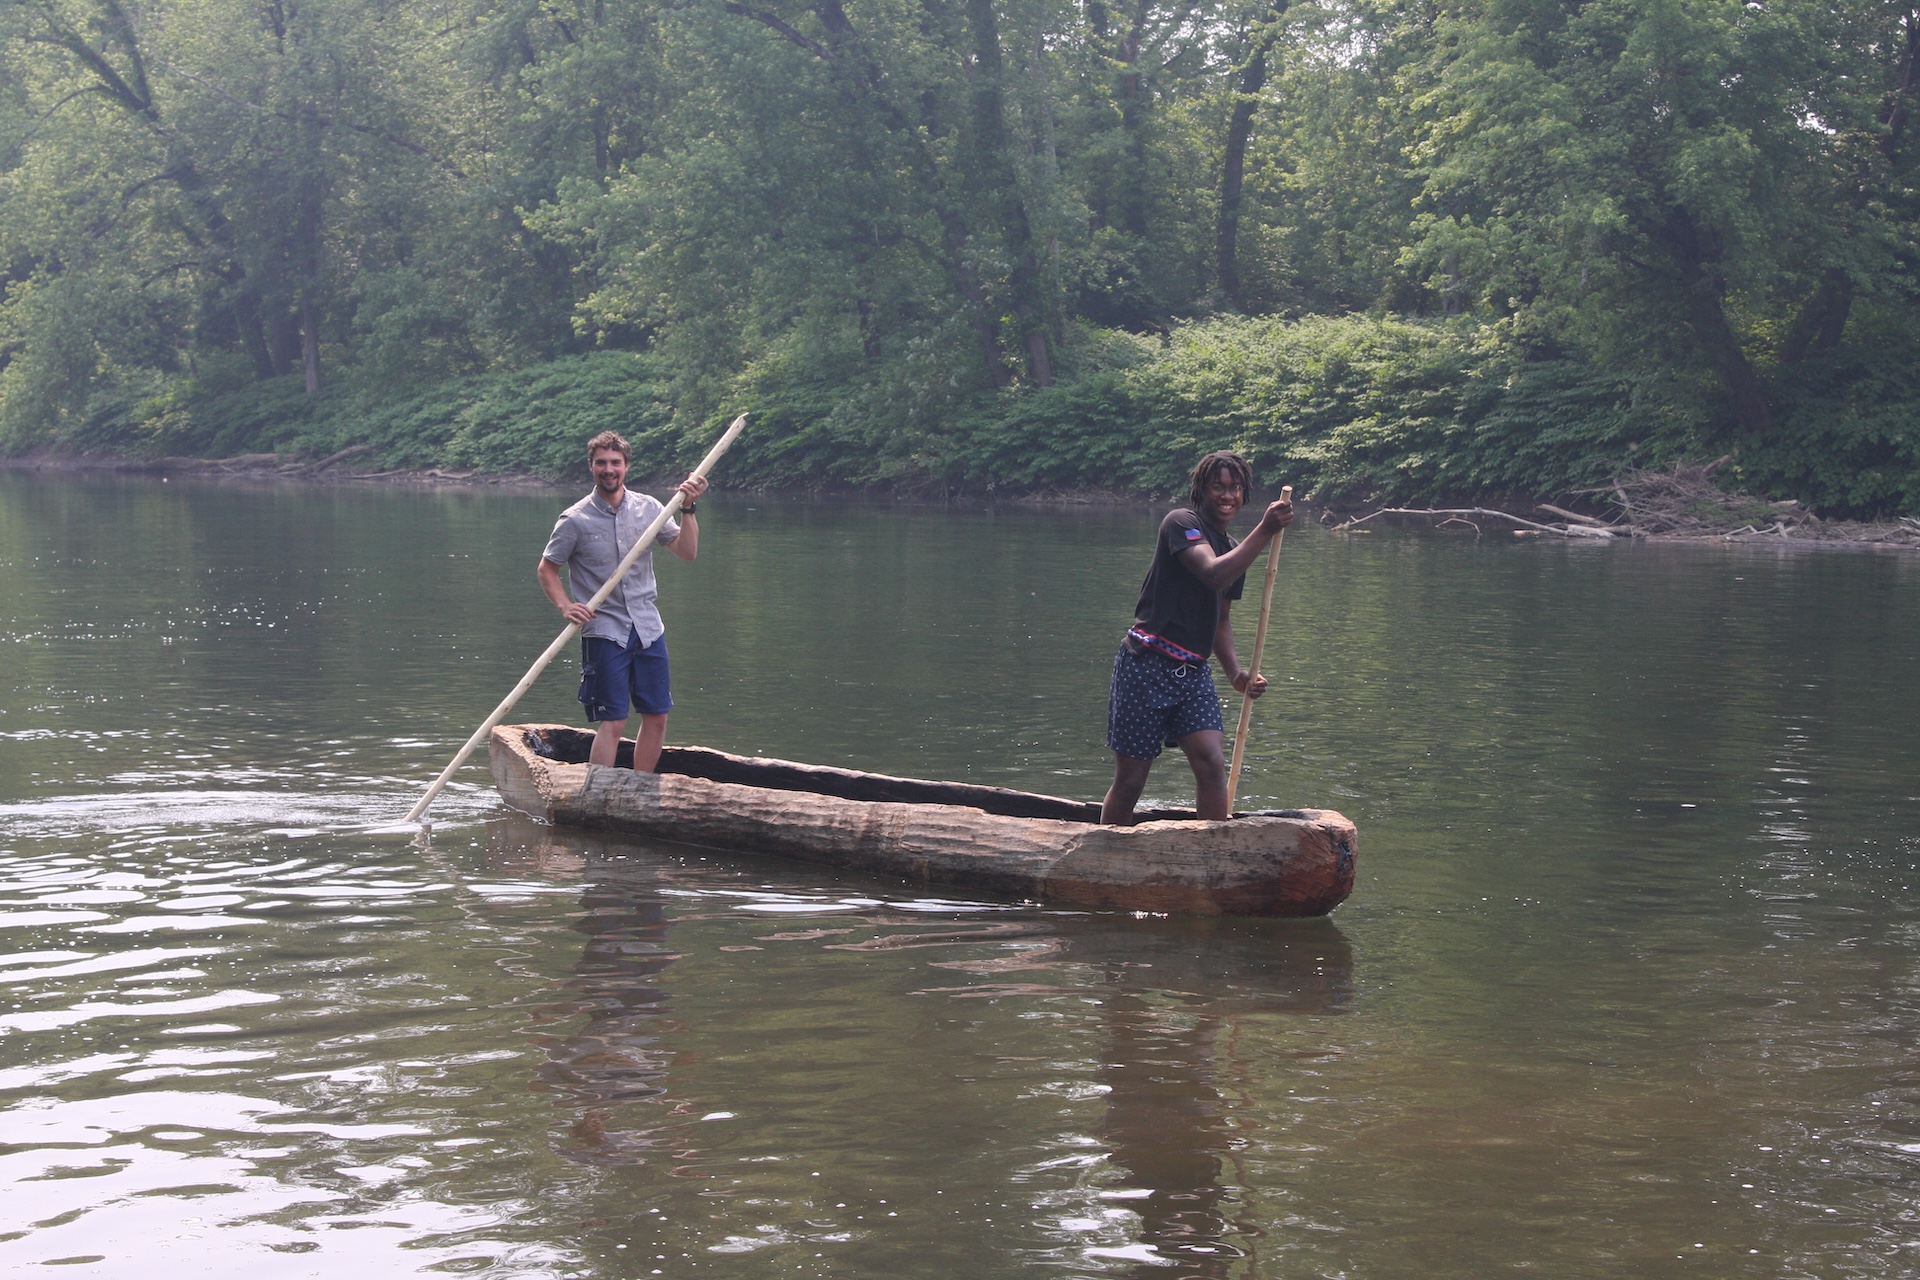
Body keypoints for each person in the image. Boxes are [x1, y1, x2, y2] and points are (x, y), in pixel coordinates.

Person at [1101, 451, 1293, 825]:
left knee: (1211, 763)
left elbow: (1220, 618)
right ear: (1201, 490)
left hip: (1193, 673)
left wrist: (1235, 673)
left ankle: (1212, 851)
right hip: (1146, 663)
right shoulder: (1181, 523)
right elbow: (1212, 574)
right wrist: (1266, 530)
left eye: (1235, 488)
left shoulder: (1235, 550)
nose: (1227, 496)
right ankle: (1104, 854)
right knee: (1131, 781)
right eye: (1218, 487)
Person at [538, 430, 708, 772]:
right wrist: (565, 605)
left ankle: (638, 787)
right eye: (601, 462)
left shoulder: (651, 509)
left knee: (657, 715)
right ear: (591, 467)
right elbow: (547, 569)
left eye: (615, 462)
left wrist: (689, 508)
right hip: (604, 629)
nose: (608, 469)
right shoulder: (575, 520)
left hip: (648, 627)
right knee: (613, 721)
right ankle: (599, 790)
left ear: (626, 466)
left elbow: (687, 552)